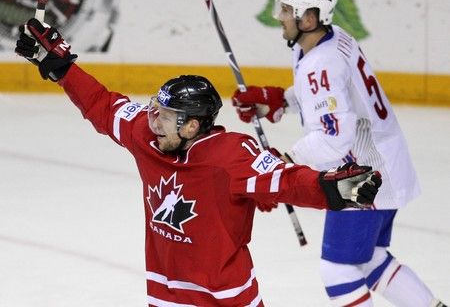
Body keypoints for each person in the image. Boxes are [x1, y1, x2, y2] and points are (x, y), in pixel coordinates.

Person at [15, 18, 382, 306]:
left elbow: (286, 181)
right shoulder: (149, 134)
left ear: (192, 124)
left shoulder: (230, 156)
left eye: (164, 115)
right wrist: (62, 69)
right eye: (154, 109)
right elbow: (101, 104)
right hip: (167, 292)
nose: (152, 120)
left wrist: (332, 188)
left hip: (227, 296)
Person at [232, 0, 447, 307]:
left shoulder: (321, 63)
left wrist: (284, 161)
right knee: (371, 260)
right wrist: (275, 103)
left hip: (364, 177)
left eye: (288, 10)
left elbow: (334, 136)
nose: (281, 17)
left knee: (337, 270)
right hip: (383, 165)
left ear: (309, 17)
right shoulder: (329, 41)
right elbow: (333, 101)